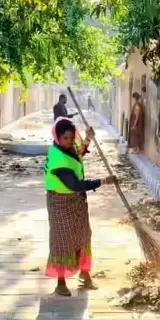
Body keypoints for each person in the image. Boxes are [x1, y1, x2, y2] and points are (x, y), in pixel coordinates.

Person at [45, 117, 116, 296]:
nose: (69, 142)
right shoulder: (57, 158)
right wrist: (103, 181)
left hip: (76, 202)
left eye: (71, 138)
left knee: (83, 237)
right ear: (57, 137)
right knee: (63, 242)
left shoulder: (66, 149)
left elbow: (78, 154)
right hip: (60, 203)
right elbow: (75, 185)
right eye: (65, 138)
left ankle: (85, 275)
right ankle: (61, 283)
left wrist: (88, 139)